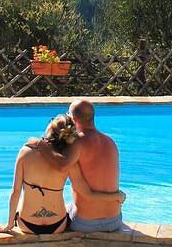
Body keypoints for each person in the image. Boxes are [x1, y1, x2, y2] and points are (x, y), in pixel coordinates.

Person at [0, 113, 124, 234]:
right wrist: (116, 196)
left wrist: (9, 224)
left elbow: (15, 191)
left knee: (23, 199)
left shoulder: (26, 152)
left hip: (28, 224)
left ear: (50, 129)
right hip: (57, 225)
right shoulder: (68, 161)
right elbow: (87, 194)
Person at [36, 99, 123, 233]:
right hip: (114, 220)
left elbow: (62, 166)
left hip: (86, 223)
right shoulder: (110, 142)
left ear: (72, 118)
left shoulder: (77, 142)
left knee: (56, 213)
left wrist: (40, 144)